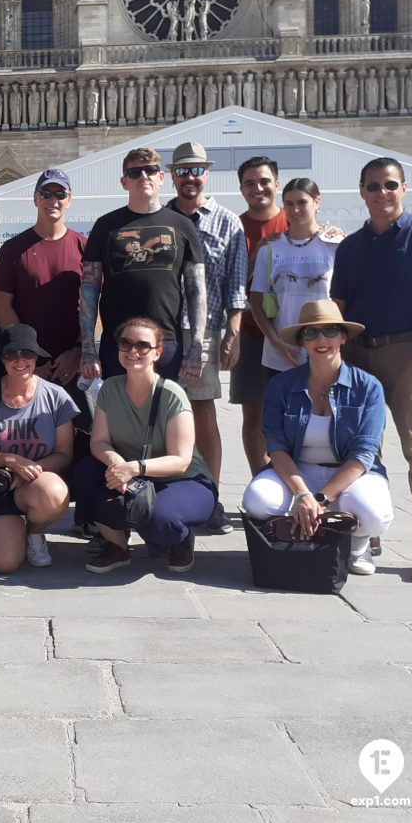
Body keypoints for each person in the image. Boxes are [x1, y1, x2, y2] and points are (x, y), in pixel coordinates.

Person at [331, 157, 412, 583]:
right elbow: (339, 309)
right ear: (361, 191)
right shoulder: (350, 248)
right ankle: (369, 529)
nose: (382, 194)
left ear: (405, 188)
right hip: (360, 357)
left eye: (390, 185)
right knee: (364, 452)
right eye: (374, 186)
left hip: (408, 354)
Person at [242, 301, 394, 576]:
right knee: (257, 500)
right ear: (302, 341)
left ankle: (357, 541)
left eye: (330, 331)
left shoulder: (368, 387)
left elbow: (363, 453)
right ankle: (300, 531)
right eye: (311, 333)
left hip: (351, 475)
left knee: (372, 512)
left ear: (343, 337)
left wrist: (321, 498)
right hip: (299, 472)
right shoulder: (281, 386)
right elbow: (275, 447)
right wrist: (302, 494)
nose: (321, 340)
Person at [79, 317, 217, 575]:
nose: (133, 351)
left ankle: (180, 537)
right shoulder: (109, 388)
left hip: (181, 479)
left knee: (159, 520)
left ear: (157, 352)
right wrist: (116, 464)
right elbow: (98, 441)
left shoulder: (172, 394)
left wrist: (133, 468)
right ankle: (117, 546)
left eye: (143, 345)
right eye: (126, 343)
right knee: (86, 472)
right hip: (131, 473)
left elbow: (181, 460)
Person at [164, 142, 247, 534]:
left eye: (196, 170)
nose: (189, 178)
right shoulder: (160, 220)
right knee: (162, 415)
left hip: (205, 331)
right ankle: (167, 493)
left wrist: (233, 330)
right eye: (182, 171)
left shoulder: (227, 221)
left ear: (207, 174)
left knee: (202, 413)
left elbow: (236, 283)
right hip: (161, 330)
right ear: (173, 176)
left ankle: (210, 496)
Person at [80, 147, 206, 384]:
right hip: (118, 344)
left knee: (164, 417)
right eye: (135, 172)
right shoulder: (105, 226)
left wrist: (196, 348)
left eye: (150, 170)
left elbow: (196, 289)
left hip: (165, 342)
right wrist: (88, 349)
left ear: (161, 177)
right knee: (118, 417)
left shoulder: (182, 225)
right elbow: (89, 288)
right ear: (124, 182)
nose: (143, 176)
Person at [0, 325, 76, 573]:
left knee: (54, 491)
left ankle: (34, 533)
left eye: (27, 354)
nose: (20, 360)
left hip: (33, 484)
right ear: (2, 359)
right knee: (4, 563)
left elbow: (64, 454)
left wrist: (27, 471)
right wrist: (9, 460)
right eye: (11, 354)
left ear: (36, 358)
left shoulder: (57, 397)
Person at [0, 168, 88, 400]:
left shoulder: (85, 247)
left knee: (82, 434)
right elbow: (2, 306)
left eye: (60, 194)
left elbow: (97, 305)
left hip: (74, 367)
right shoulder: (13, 249)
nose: (53, 200)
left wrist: (78, 351)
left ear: (69, 200)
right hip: (26, 369)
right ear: (35, 199)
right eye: (46, 193)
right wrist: (29, 357)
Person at [229, 158, 288, 475]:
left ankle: (295, 480)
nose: (258, 188)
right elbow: (228, 283)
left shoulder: (294, 221)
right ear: (241, 189)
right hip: (251, 334)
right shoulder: (235, 228)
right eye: (250, 183)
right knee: (253, 414)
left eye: (264, 181)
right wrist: (256, 256)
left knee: (295, 411)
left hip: (292, 334)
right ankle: (260, 479)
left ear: (277, 183)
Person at [250, 178, 339, 373]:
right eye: (289, 204)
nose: (295, 209)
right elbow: (256, 301)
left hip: (325, 348)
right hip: (282, 354)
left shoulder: (335, 245)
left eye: (302, 202)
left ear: (317, 202)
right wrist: (276, 342)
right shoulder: (270, 250)